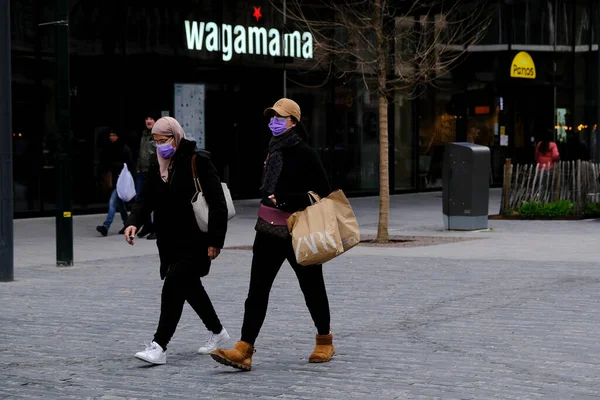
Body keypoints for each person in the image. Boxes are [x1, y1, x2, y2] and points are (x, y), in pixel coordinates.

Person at [211, 98, 334, 372]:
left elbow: (323, 193)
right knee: (257, 291)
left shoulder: (305, 152)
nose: (273, 122)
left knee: (312, 287)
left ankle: (324, 339)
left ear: (293, 121)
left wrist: (288, 199)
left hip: (298, 231)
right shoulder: (272, 149)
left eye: (279, 117)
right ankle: (244, 349)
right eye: (271, 117)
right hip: (267, 230)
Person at [124, 117, 230, 365]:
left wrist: (216, 240)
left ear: (176, 137)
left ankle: (159, 345)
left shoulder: (197, 161)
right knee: (190, 287)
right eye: (157, 141)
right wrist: (133, 222)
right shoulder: (157, 165)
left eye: (165, 140)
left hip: (196, 239)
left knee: (173, 285)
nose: (161, 146)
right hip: (170, 241)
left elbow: (217, 203)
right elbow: (145, 198)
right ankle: (218, 332)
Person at [96, 129, 134, 236]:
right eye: (110, 135)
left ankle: (106, 226)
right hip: (114, 180)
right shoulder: (109, 148)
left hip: (121, 180)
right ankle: (127, 224)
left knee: (112, 203)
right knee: (120, 204)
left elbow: (129, 164)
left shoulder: (124, 148)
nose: (112, 137)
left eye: (114, 135)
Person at [136, 113, 158, 240]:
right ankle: (147, 225)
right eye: (146, 118)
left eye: (151, 118)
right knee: (141, 199)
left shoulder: (157, 134)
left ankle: (156, 228)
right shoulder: (144, 134)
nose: (148, 121)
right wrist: (138, 166)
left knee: (154, 201)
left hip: (153, 171)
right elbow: (141, 151)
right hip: (142, 171)